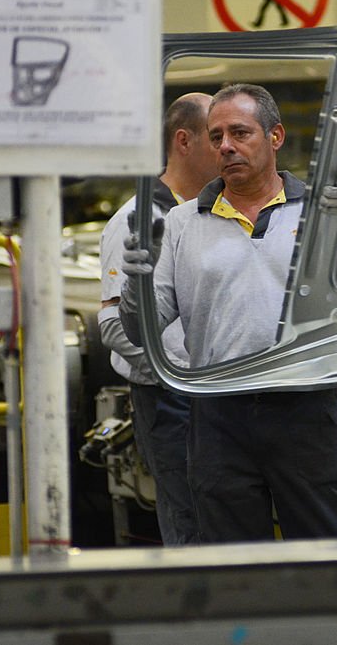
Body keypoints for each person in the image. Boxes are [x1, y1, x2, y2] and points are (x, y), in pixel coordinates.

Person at [119, 83, 337, 542]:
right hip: (215, 414)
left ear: (275, 137)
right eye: (216, 136)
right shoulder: (180, 225)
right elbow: (141, 329)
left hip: (304, 407)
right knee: (233, 568)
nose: (226, 146)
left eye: (240, 133)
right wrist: (137, 281)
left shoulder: (322, 215)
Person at [98, 92, 216, 545]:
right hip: (170, 401)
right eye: (217, 135)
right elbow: (112, 325)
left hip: (219, 393)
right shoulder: (137, 219)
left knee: (223, 515)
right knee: (189, 515)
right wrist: (177, 374)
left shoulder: (212, 215)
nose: (228, 148)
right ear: (183, 141)